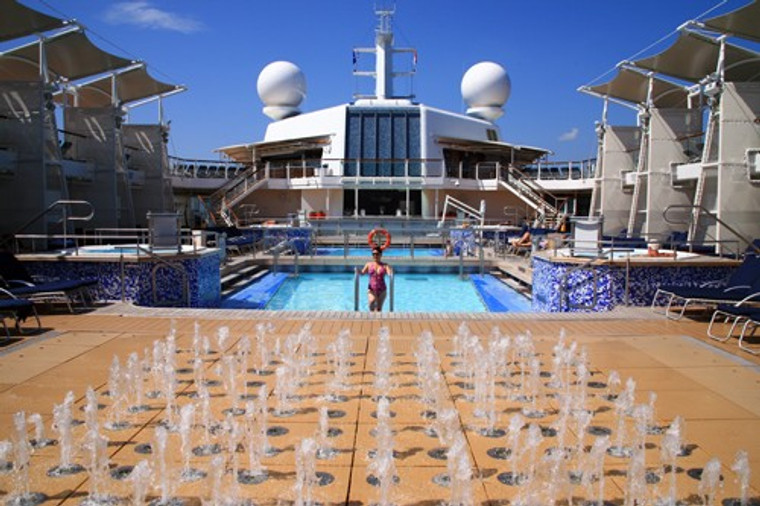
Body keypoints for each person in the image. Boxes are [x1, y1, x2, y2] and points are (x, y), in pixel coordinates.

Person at [361, 246, 393, 312]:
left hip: (382, 290)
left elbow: (389, 272)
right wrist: (358, 271)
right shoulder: (368, 264)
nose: (375, 255)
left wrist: (390, 272)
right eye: (373, 254)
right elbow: (362, 273)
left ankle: (377, 321)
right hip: (371, 289)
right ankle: (372, 318)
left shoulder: (385, 265)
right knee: (371, 303)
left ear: (381, 255)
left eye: (377, 254)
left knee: (379, 309)